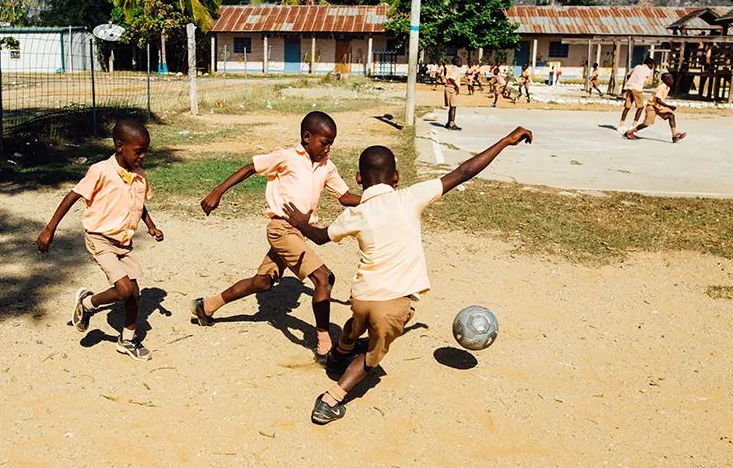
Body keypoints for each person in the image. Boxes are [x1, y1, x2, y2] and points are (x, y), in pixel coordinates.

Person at [282, 126, 533, 424]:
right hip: (393, 304)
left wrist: (300, 222)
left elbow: (322, 236)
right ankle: (331, 400)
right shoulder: (410, 197)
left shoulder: (355, 213)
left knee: (357, 322)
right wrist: (504, 140)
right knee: (372, 357)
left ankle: (340, 353)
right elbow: (464, 171)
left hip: (361, 297)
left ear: (360, 179)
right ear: (396, 177)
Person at [192, 111, 361, 360]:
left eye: (331, 143)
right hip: (281, 229)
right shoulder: (287, 157)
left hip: (299, 233)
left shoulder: (327, 167)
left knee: (263, 282)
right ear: (307, 137)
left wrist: (379, 197)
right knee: (323, 279)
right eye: (324, 142)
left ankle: (206, 306)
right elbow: (251, 167)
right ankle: (324, 344)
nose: (328, 149)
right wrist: (218, 191)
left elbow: (345, 197)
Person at [36, 118, 164, 361]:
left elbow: (139, 204)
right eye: (138, 151)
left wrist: (151, 226)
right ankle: (88, 304)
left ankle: (126, 340)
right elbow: (72, 196)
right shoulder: (100, 171)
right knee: (124, 289)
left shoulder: (139, 176)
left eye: (146, 151)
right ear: (119, 146)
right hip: (100, 238)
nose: (143, 156)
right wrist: (49, 229)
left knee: (134, 293)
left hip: (123, 243)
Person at [624, 73, 686, 143]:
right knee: (646, 124)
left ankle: (674, 135)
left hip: (659, 107)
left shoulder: (667, 87)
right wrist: (669, 106)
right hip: (652, 107)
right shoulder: (661, 88)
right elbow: (658, 100)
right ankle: (629, 132)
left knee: (671, 116)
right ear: (667, 80)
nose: (673, 80)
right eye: (671, 79)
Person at [618, 57, 654, 132]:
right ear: (649, 64)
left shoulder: (637, 66)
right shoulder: (648, 70)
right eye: (652, 65)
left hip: (629, 87)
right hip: (637, 89)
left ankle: (621, 125)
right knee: (640, 107)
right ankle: (634, 125)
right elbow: (646, 82)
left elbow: (628, 75)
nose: (652, 67)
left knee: (627, 107)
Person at [444, 56, 463, 130]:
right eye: (460, 62)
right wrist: (457, 87)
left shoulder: (450, 68)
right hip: (452, 89)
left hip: (447, 88)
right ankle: (452, 124)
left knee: (451, 107)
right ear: (457, 62)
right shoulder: (457, 69)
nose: (461, 63)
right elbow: (451, 78)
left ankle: (449, 122)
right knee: (453, 107)